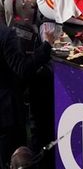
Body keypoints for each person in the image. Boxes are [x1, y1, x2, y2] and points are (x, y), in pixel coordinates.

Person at [0, 24, 54, 169]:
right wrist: (46, 46)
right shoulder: (5, 34)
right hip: (8, 114)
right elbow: (23, 69)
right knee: (17, 159)